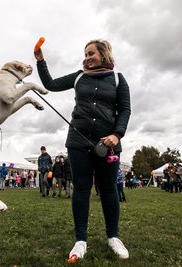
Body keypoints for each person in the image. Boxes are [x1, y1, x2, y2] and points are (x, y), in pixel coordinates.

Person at [35, 39, 131, 260]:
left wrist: (117, 135)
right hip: (78, 142)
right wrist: (41, 61)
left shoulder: (117, 79)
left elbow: (125, 109)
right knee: (81, 189)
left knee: (108, 189)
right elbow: (50, 84)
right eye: (85, 54)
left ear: (103, 54)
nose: (87, 57)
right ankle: (80, 240)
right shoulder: (79, 76)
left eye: (91, 53)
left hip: (108, 144)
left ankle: (113, 237)